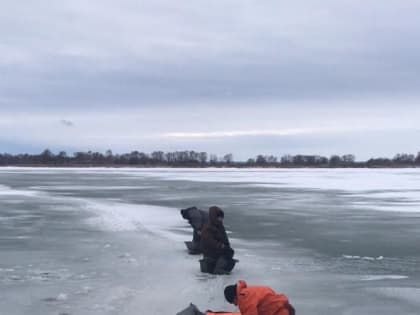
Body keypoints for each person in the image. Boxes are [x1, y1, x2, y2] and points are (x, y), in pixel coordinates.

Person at [224, 280, 295, 315]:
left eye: (233, 302)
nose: (235, 305)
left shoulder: (244, 297)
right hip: (287, 309)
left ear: (234, 297)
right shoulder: (250, 291)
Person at [200, 206, 236, 274]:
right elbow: (209, 241)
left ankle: (220, 266)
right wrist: (221, 246)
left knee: (230, 251)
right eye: (219, 217)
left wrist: (227, 245)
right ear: (214, 217)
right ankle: (218, 269)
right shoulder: (208, 227)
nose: (221, 219)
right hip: (209, 250)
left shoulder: (219, 225)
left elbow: (224, 237)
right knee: (227, 252)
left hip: (217, 248)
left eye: (221, 218)